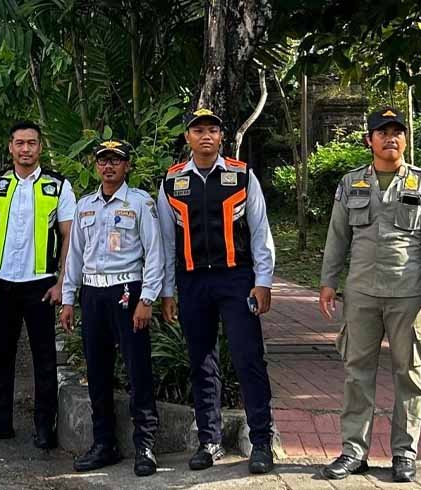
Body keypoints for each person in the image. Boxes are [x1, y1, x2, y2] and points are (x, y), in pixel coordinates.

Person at [318, 108, 421, 483]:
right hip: (360, 293)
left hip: (409, 295)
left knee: (409, 374)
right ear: (369, 140)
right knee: (356, 373)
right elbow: (337, 236)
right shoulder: (351, 184)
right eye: (382, 132)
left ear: (405, 140)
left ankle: (404, 453)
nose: (390, 138)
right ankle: (353, 451)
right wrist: (328, 281)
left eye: (397, 132)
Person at [157, 108, 276, 474]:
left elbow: (260, 231)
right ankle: (209, 441)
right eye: (198, 130)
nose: (205, 136)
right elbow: (165, 241)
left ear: (221, 137)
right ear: (188, 138)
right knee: (201, 363)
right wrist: (167, 291)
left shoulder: (242, 176)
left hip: (236, 279)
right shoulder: (172, 182)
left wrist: (263, 282)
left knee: (248, 359)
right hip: (193, 282)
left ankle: (261, 442)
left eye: (212, 130)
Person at [60, 139, 162, 476]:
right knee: (98, 372)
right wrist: (68, 299)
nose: (109, 166)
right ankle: (104, 443)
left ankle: (145, 445)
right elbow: (74, 255)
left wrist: (147, 299)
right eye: (103, 160)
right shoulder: (85, 205)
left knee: (137, 370)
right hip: (92, 294)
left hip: (127, 292)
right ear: (95, 165)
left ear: (127, 166)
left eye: (116, 161)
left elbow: (155, 253)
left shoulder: (139, 203)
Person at [0, 120, 76, 449]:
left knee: (44, 358)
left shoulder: (58, 186)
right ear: (11, 147)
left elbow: (68, 236)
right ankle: (1, 420)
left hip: (41, 286)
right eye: (20, 143)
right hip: (0, 284)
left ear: (40, 147)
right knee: (1, 356)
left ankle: (44, 426)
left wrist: (62, 281)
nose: (26, 149)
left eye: (32, 143)